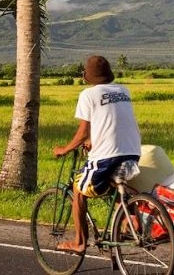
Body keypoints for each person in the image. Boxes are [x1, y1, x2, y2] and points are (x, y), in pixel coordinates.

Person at [53, 55, 141, 252]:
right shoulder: (123, 91)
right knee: (115, 187)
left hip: (106, 156)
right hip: (132, 152)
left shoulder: (88, 95)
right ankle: (131, 223)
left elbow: (83, 131)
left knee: (78, 191)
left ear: (87, 77)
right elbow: (112, 120)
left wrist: (64, 149)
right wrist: (92, 139)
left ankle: (79, 242)